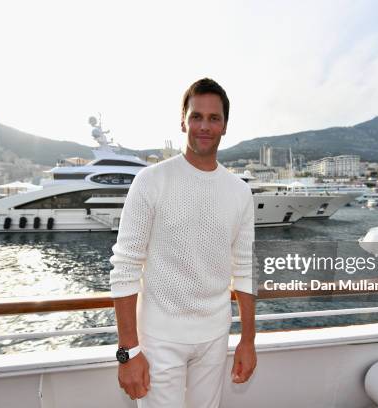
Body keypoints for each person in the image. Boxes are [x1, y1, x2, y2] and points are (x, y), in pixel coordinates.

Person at [109, 78, 257, 407]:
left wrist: (247, 340)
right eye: (196, 116)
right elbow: (125, 267)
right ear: (183, 121)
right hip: (159, 339)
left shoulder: (239, 192)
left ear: (225, 126)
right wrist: (129, 351)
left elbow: (244, 268)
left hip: (215, 337)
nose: (204, 126)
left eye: (213, 118)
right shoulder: (151, 181)